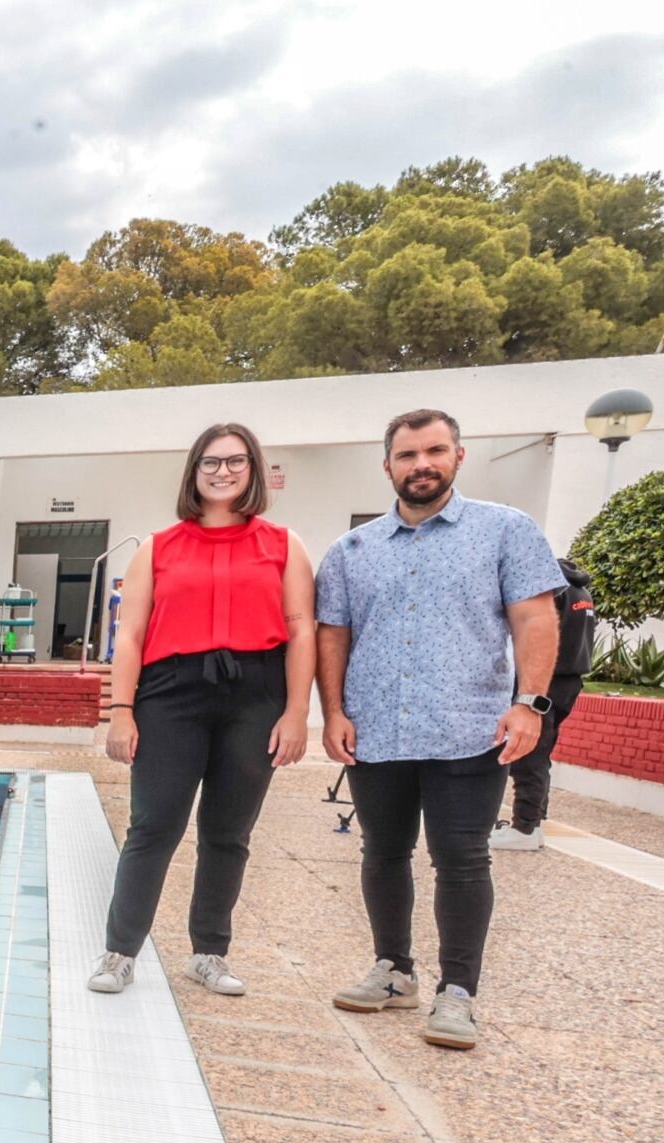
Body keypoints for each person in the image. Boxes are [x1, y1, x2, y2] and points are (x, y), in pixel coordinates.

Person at [317, 409, 563, 1050]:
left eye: (433, 451)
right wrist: (335, 712)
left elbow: (535, 620)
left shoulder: (506, 531)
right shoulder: (352, 551)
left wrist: (529, 703)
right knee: (383, 851)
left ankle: (458, 993)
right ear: (388, 466)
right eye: (407, 454)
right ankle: (395, 971)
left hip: (468, 728)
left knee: (461, 859)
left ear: (458, 456)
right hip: (377, 729)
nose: (420, 464)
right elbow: (334, 637)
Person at [92, 422, 316, 998]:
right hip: (171, 693)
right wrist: (123, 709)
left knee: (228, 832)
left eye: (236, 462)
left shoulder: (284, 545)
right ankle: (120, 951)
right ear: (194, 472)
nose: (223, 472)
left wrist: (297, 713)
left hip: (255, 692)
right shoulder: (159, 547)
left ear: (254, 470)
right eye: (211, 463)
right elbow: (131, 632)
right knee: (153, 825)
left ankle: (209, 952)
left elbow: (300, 630)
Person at [492, 558, 596, 851]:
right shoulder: (581, 591)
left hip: (546, 683)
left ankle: (524, 828)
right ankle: (535, 823)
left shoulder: (552, 590)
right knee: (541, 754)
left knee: (529, 757)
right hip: (570, 681)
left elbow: (535, 634)